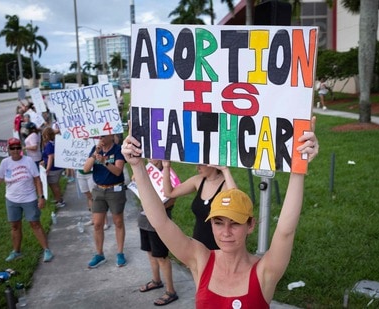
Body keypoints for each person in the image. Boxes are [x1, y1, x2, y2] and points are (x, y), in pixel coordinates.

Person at [121, 116, 319, 308]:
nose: (225, 232)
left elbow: (285, 231)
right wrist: (137, 166)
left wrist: (299, 167)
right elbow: (161, 222)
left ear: (250, 225)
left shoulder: (264, 271)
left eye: (234, 223)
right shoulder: (201, 259)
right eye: (218, 222)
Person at [0, 138, 54, 263]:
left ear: (21, 149)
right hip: (11, 199)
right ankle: (16, 251)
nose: (15, 150)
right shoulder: (5, 162)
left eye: (18, 148)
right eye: (12, 148)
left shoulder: (28, 161)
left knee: (35, 224)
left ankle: (46, 250)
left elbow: (37, 179)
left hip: (29, 198)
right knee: (15, 226)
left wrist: (41, 197)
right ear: (8, 150)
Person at [161, 161, 237, 250]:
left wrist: (225, 170)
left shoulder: (226, 185)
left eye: (201, 164)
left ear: (212, 164)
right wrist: (166, 167)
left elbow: (236, 200)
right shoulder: (198, 180)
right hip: (198, 243)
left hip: (218, 246)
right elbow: (169, 193)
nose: (197, 167)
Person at [134, 159, 178, 306]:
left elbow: (172, 199)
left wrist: (155, 206)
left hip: (158, 221)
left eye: (154, 156)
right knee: (149, 252)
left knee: (161, 256)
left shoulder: (169, 174)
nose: (151, 160)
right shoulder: (146, 171)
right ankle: (156, 280)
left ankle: (171, 291)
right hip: (144, 218)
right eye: (149, 157)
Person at [83, 134, 127, 268]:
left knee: (118, 221)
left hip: (115, 189)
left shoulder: (118, 150)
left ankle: (120, 253)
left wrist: (104, 162)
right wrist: (95, 154)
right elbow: (85, 169)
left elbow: (118, 171)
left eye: (103, 136)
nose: (100, 138)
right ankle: (99, 254)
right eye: (99, 136)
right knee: (97, 224)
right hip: (98, 190)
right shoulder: (95, 149)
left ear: (111, 136)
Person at [40, 127, 66, 208]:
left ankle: (60, 201)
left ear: (46, 136)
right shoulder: (54, 142)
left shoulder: (48, 145)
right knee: (56, 185)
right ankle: (58, 198)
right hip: (57, 167)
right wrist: (44, 161)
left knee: (54, 185)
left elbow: (50, 157)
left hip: (53, 169)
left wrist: (47, 169)